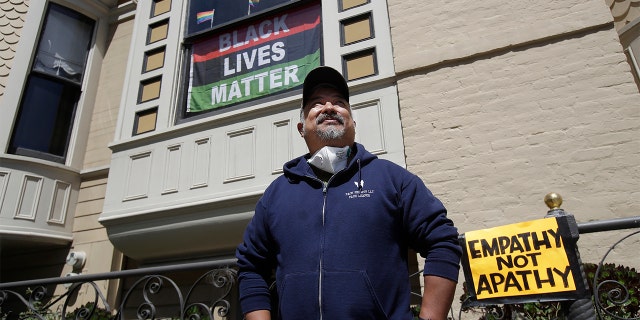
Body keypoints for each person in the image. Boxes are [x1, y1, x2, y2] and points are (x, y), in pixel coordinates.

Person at [236, 66, 462, 319]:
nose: (329, 107)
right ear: (301, 128)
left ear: (353, 123)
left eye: (340, 102)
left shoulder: (393, 179)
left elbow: (442, 241)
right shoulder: (276, 195)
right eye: (316, 103)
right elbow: (251, 266)